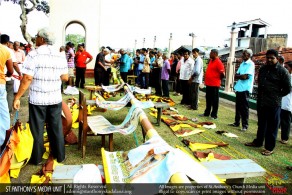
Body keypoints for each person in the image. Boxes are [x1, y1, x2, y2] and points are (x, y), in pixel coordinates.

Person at [13, 27, 68, 165]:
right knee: (56, 127)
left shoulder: (34, 55)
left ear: (42, 39)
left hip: (38, 99)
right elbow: (65, 77)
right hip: (55, 98)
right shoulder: (60, 55)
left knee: (37, 129)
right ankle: (60, 156)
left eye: (37, 36)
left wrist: (17, 97)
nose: (35, 38)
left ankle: (36, 158)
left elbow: (27, 78)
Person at [245, 49, 291, 156]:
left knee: (272, 126)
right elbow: (260, 83)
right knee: (261, 124)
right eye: (268, 58)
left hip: (274, 103)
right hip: (262, 101)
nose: (269, 60)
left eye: (272, 58)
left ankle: (269, 148)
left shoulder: (282, 71)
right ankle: (258, 142)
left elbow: (287, 88)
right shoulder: (263, 69)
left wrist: (277, 96)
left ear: (277, 58)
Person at [228, 49, 255, 131]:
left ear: (249, 55)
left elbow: (245, 77)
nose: (242, 55)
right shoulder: (242, 63)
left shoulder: (250, 64)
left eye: (244, 54)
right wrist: (240, 76)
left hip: (245, 88)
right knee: (238, 106)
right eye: (243, 53)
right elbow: (236, 75)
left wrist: (240, 76)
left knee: (244, 108)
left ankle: (245, 125)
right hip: (239, 87)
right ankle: (236, 122)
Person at [200, 49, 225, 119]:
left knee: (214, 101)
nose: (209, 55)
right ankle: (207, 113)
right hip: (209, 84)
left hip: (215, 85)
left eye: (210, 53)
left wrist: (217, 79)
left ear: (214, 53)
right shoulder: (211, 61)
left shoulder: (219, 62)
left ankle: (214, 115)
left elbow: (222, 74)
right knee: (208, 99)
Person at [1, 34, 20, 114]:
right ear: (8, 42)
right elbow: (14, 64)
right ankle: (7, 111)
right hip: (7, 77)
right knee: (9, 94)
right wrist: (19, 73)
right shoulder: (9, 51)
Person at [0, 41, 13, 146]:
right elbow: (11, 70)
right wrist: (7, 74)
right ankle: (4, 139)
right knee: (3, 112)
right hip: (0, 83)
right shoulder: (5, 50)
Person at [279, 61, 292, 144]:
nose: (285, 69)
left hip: (288, 102)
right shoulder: (287, 76)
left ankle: (285, 138)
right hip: (283, 101)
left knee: (286, 121)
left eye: (286, 67)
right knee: (282, 120)